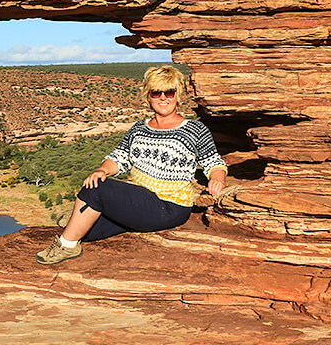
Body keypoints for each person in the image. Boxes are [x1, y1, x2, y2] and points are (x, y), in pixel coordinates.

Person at [36, 65, 227, 265]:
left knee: (97, 189)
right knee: (88, 231)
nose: (163, 98)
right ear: (148, 96)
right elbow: (119, 157)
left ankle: (66, 247)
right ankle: (80, 220)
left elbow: (214, 162)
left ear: (177, 95)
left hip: (169, 206)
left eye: (169, 92)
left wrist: (217, 179)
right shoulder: (138, 128)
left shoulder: (194, 129)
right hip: (140, 200)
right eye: (156, 92)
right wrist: (102, 170)